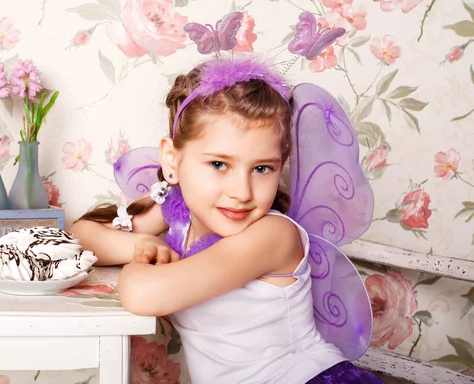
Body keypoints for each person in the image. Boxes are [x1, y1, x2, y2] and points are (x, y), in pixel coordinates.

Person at [69, 55, 383, 383]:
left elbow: (142, 294)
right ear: (172, 160)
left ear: (281, 165)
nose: (241, 192)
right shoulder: (179, 213)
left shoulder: (273, 236)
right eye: (219, 164)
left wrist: (139, 257)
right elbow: (81, 237)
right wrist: (140, 242)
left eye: (262, 168)